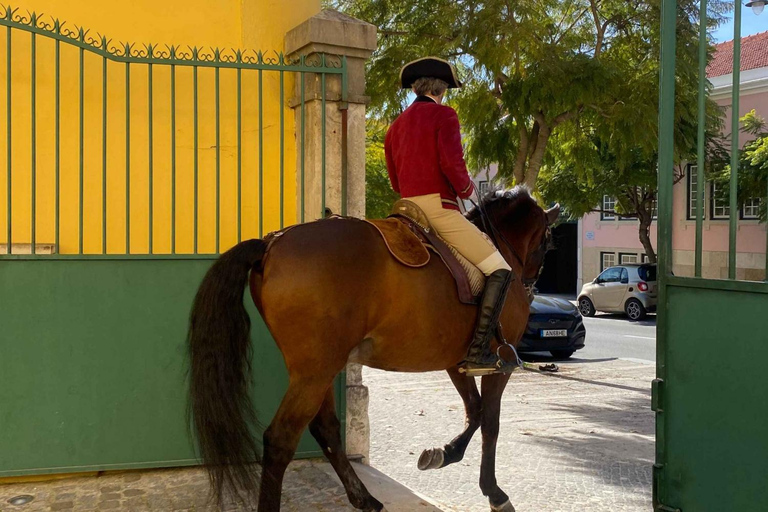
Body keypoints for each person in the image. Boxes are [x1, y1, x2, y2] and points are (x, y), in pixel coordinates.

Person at [384, 57, 513, 375]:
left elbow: (395, 182)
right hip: (437, 210)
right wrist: (468, 189)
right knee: (500, 269)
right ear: (442, 90)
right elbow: (452, 165)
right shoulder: (444, 115)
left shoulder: (394, 127)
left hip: (405, 209)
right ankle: (478, 352)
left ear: (415, 89)